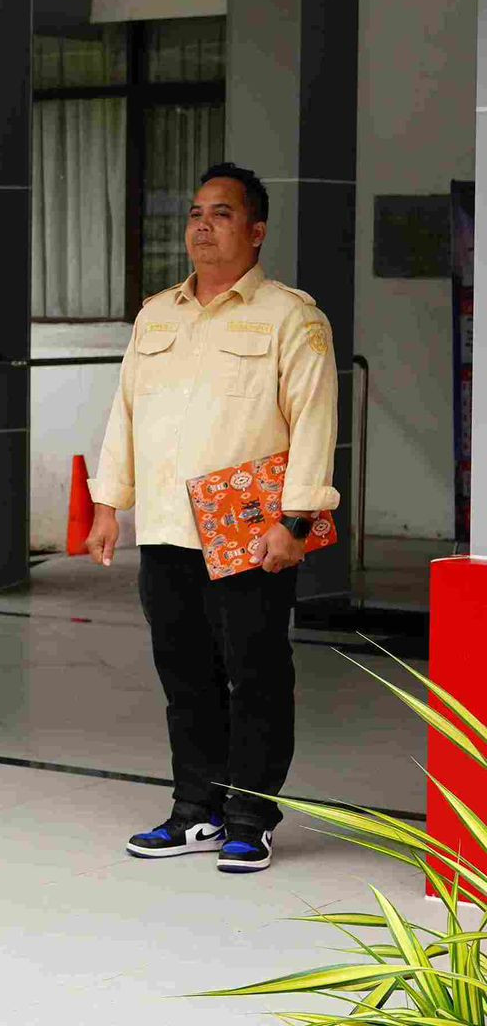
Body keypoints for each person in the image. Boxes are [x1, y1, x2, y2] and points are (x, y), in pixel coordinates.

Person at [84, 161, 339, 874]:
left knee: (255, 675)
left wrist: (296, 522)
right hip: (167, 529)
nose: (202, 224)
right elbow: (125, 414)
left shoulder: (292, 317)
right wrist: (109, 504)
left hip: (249, 534)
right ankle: (194, 808)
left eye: (222, 213)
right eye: (196, 212)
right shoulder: (156, 314)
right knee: (185, 676)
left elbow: (315, 423)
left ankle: (249, 817)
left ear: (256, 232)